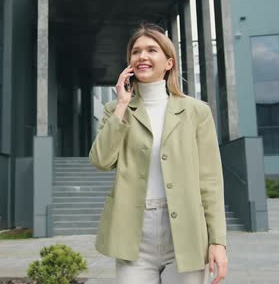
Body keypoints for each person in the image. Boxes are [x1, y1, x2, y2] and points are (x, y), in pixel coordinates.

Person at [89, 23, 228, 284]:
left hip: (186, 231)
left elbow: (210, 181)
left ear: (168, 62)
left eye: (152, 50)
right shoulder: (114, 109)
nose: (142, 56)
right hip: (134, 232)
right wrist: (121, 105)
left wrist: (218, 242)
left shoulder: (196, 112)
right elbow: (101, 160)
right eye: (136, 51)